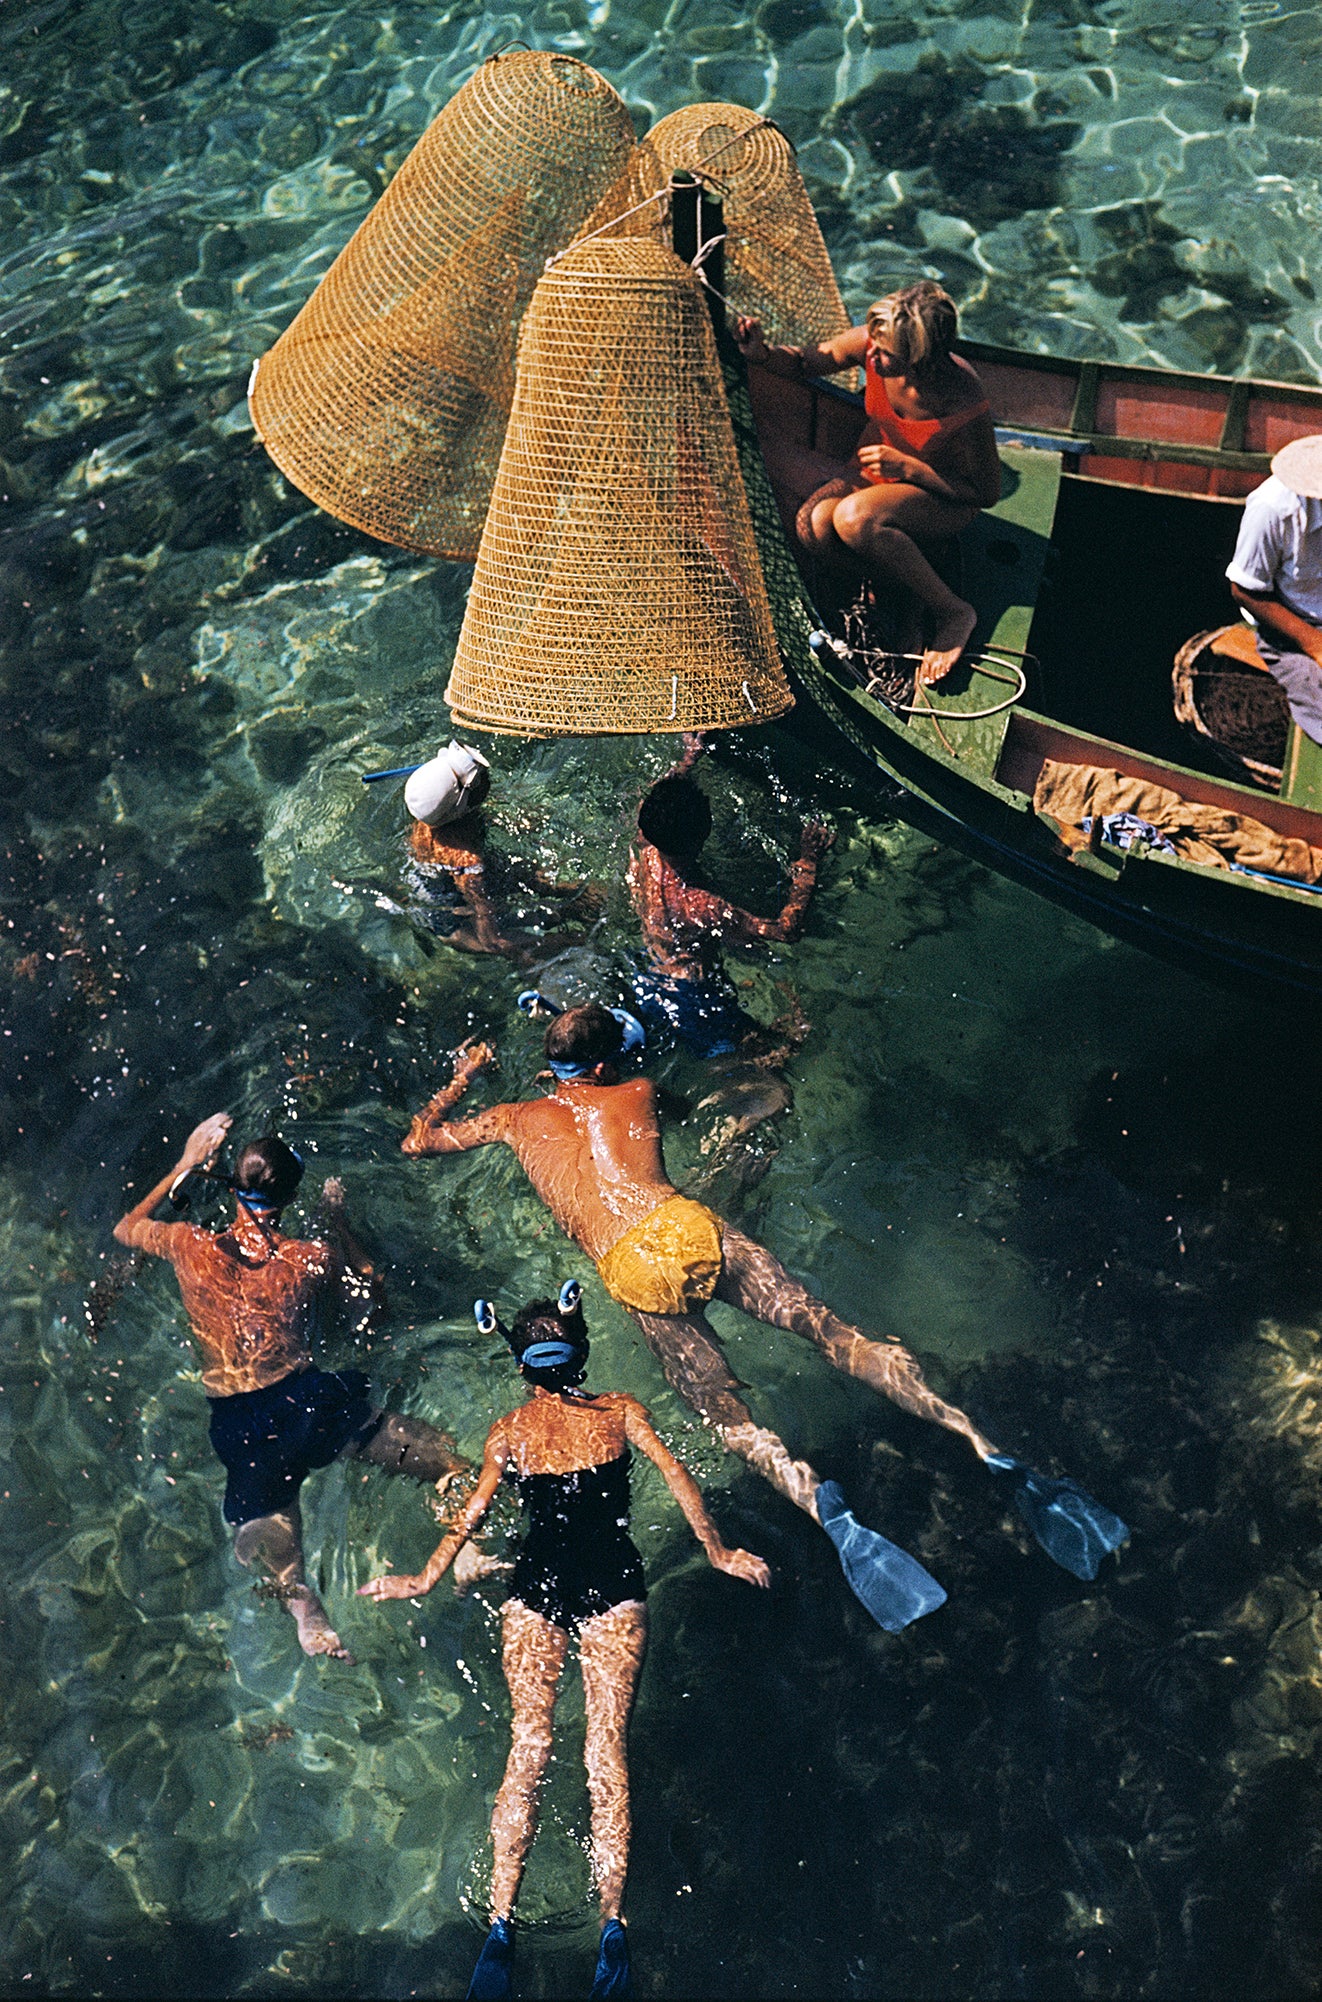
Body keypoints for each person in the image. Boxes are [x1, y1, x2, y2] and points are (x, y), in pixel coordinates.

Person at [400, 1008, 1127, 1626]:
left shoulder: (511, 1120)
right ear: (606, 1064)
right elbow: (693, 1113)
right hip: (685, 1226)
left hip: (629, 1268)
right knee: (829, 1332)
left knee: (725, 1415)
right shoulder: (640, 1089)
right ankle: (987, 1449)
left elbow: (418, 1140)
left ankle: (829, 1517)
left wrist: (465, 1074)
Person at [358, 1282, 769, 2001]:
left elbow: (473, 1516)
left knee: (529, 1747)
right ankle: (613, 1923)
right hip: (612, 1586)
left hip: (536, 1593)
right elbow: (677, 1479)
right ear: (579, 1354)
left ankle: (501, 1923)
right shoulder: (620, 1412)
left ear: (521, 1367)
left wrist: (424, 1579)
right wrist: (718, 1552)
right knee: (604, 1751)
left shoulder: (509, 1431)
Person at [113, 1112, 489, 1661]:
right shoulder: (306, 1259)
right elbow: (373, 1297)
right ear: (288, 1199)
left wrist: (186, 1164)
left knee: (278, 1526)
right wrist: (338, 1223)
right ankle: (470, 1545)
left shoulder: (188, 1245)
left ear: (233, 1191)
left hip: (238, 1422)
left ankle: (306, 1610)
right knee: (449, 1463)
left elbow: (125, 1229)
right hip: (307, 1402)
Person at [735, 280, 1001, 684]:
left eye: (886, 353)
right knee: (815, 526)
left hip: (939, 496)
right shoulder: (874, 344)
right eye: (872, 344)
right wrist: (763, 354)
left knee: (855, 519)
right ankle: (905, 582)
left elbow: (985, 494)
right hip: (876, 474)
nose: (870, 356)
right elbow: (807, 363)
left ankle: (951, 610)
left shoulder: (964, 401)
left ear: (922, 359)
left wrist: (910, 469)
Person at [1226, 433, 1322, 745]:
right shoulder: (1271, 509)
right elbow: (1245, 590)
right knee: (1315, 686)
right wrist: (1314, 644)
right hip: (1293, 625)